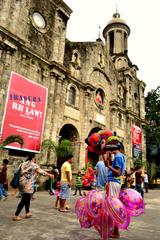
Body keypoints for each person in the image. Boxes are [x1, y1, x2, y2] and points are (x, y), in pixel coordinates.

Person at [12, 153, 54, 221]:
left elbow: (17, 171)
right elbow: (41, 171)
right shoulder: (33, 165)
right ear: (33, 158)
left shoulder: (23, 163)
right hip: (27, 184)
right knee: (24, 200)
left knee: (27, 198)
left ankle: (27, 212)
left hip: (21, 183)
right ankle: (15, 215)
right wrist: (50, 175)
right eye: (34, 158)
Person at [104, 142, 126, 239]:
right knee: (113, 206)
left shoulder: (118, 156)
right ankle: (114, 229)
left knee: (113, 207)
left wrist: (108, 165)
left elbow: (117, 172)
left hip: (113, 182)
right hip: (115, 183)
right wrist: (108, 159)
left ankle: (116, 231)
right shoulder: (120, 156)